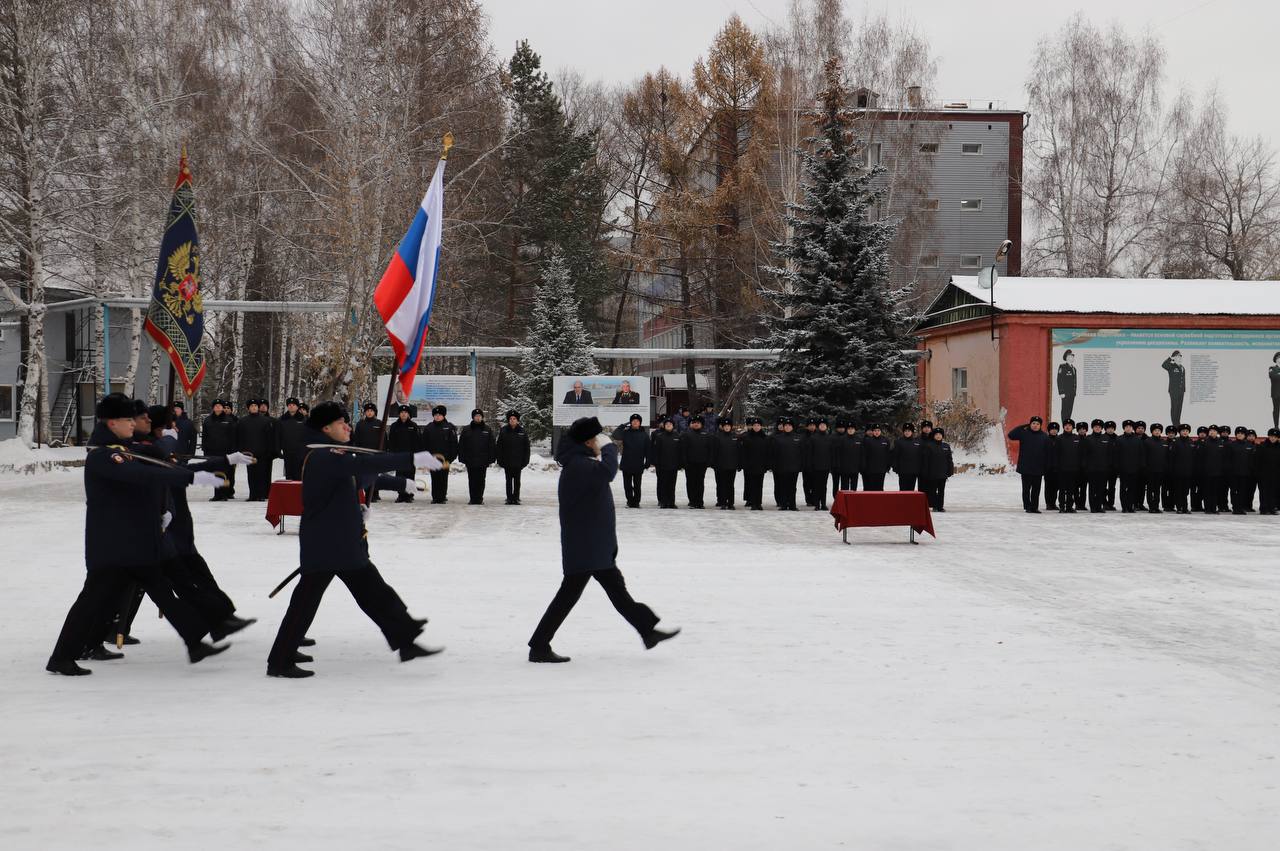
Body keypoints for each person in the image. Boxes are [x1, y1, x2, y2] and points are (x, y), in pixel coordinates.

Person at [46, 393, 229, 676]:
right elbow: (143, 475)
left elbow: (156, 460)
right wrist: (191, 477)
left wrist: (175, 451)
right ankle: (61, 657)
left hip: (134, 545)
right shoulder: (103, 456)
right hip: (111, 548)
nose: (133, 424)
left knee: (162, 592)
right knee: (91, 603)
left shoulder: (123, 449)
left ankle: (195, 642)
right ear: (111, 423)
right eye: (127, 419)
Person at [266, 402, 442, 678]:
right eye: (341, 423)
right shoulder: (323, 456)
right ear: (326, 428)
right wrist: (411, 459)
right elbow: (364, 464)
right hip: (328, 544)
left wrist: (385, 492)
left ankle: (405, 639)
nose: (348, 427)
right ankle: (279, 661)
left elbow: (359, 478)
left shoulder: (332, 454)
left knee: (372, 593)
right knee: (311, 603)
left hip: (339, 541)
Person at [527, 416, 679, 663]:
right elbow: (608, 472)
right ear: (589, 442)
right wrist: (609, 447)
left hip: (592, 544)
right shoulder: (578, 465)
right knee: (572, 595)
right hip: (586, 546)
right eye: (597, 438)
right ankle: (539, 645)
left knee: (613, 591)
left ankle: (647, 631)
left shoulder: (580, 461)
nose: (600, 443)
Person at [236, 398, 278, 501]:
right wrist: (241, 451)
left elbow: (269, 438)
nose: (254, 408)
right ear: (248, 408)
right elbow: (239, 438)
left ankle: (261, 495)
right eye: (252, 406)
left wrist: (269, 451)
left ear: (258, 408)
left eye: (255, 406)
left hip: (262, 452)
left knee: (262, 474)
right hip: (248, 453)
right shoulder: (243, 421)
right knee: (251, 474)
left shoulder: (266, 421)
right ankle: (252, 495)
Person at [1008, 416, 1049, 513]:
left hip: (1038, 468)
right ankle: (1027, 507)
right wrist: (1024, 426)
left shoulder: (1044, 436)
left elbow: (1047, 452)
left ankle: (1034, 507)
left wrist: (1046, 466)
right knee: (1026, 489)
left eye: (1037, 424)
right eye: (1033, 423)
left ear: (1040, 426)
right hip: (1026, 467)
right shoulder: (1024, 433)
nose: (1035, 425)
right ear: (1030, 424)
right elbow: (1011, 435)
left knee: (1036, 490)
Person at [201, 398, 238, 500]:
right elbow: (205, 436)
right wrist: (205, 450)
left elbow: (233, 437)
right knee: (215, 473)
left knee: (225, 473)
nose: (218, 407)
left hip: (226, 451)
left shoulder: (228, 420)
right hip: (212, 451)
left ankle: (225, 494)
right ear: (213, 408)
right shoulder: (207, 420)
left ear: (222, 408)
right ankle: (217, 495)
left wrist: (233, 451)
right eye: (216, 406)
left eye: (220, 406)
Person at [458, 409, 496, 505]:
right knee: (472, 480)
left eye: (479, 416)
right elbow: (461, 444)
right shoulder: (466, 429)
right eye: (476, 416)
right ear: (473, 417)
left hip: (483, 460)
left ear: (482, 417)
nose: (478, 417)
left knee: (481, 480)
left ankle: (479, 499)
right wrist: (462, 457)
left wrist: (491, 458)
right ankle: (472, 499)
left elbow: (492, 445)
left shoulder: (487, 429)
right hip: (470, 460)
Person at [422, 405, 459, 504]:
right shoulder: (429, 427)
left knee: (443, 478)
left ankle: (442, 497)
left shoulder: (449, 427)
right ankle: (435, 497)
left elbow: (454, 444)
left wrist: (451, 458)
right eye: (436, 415)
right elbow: (424, 444)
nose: (437, 416)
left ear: (444, 416)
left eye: (440, 415)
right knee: (434, 478)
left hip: (445, 458)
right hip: (432, 459)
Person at [611, 414, 649, 508]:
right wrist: (622, 426)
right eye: (633, 421)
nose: (635, 422)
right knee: (627, 485)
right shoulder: (625, 433)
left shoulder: (644, 435)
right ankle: (629, 501)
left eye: (637, 421)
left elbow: (648, 449)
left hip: (638, 463)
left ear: (640, 423)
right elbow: (615, 435)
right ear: (630, 423)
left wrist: (647, 461)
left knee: (637, 485)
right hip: (627, 463)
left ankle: (636, 502)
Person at [386, 405, 421, 503]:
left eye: (405, 412)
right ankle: (401, 495)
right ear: (399, 414)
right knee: (400, 476)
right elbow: (391, 441)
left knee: (410, 476)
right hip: (399, 456)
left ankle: (409, 495)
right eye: (401, 412)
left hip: (410, 456)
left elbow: (418, 442)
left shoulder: (413, 426)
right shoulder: (394, 426)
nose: (403, 414)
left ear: (409, 414)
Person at [768, 417, 804, 510]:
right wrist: (774, 465)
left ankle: (792, 504)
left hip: (794, 467)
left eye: (789, 425)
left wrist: (800, 465)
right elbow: (773, 453)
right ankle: (783, 504)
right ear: (783, 427)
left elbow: (802, 453)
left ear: (792, 427)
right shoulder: (777, 438)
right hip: (781, 466)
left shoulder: (798, 438)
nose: (787, 427)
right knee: (783, 486)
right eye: (786, 426)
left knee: (792, 487)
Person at [497, 411, 531, 505]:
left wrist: (525, 460)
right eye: (511, 419)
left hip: (518, 461)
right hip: (506, 461)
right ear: (508, 420)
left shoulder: (522, 431)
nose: (512, 420)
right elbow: (499, 446)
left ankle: (516, 498)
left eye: (514, 419)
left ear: (517, 420)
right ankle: (509, 498)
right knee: (508, 480)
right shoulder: (503, 431)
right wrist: (500, 459)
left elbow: (526, 447)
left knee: (517, 481)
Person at [649, 417, 683, 508]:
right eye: (667, 424)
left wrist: (680, 463)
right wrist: (656, 463)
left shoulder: (677, 436)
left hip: (673, 465)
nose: (668, 426)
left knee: (672, 485)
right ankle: (663, 502)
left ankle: (671, 502)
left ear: (673, 426)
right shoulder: (660, 436)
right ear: (664, 426)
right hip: (662, 465)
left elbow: (680, 451)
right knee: (663, 483)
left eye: (670, 424)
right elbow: (656, 451)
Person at [680, 415, 712, 508]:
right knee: (690, 482)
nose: (696, 424)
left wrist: (709, 461)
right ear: (691, 424)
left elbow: (710, 449)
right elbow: (683, 449)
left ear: (701, 424)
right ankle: (692, 501)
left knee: (700, 482)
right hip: (690, 463)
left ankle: (699, 501)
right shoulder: (686, 434)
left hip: (702, 463)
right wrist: (684, 461)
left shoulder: (706, 435)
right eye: (694, 423)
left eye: (698, 423)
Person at [802, 418, 834, 511]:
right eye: (820, 425)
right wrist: (810, 464)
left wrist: (831, 465)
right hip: (816, 466)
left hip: (826, 466)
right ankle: (816, 504)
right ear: (818, 427)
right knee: (816, 485)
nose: (822, 426)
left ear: (827, 427)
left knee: (824, 486)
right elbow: (810, 453)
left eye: (824, 425)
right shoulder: (813, 437)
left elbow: (832, 452)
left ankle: (823, 504)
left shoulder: (829, 438)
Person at [739, 417, 770, 510]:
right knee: (751, 484)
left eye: (758, 425)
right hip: (750, 465)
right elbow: (743, 452)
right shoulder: (746, 437)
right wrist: (744, 464)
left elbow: (768, 452)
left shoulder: (765, 438)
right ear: (752, 426)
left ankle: (758, 503)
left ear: (761, 426)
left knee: (759, 485)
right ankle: (752, 502)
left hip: (761, 465)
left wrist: (767, 465)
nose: (756, 427)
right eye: (755, 425)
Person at [1054, 419, 1084, 514]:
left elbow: (1080, 454)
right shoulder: (1059, 438)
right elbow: (1056, 454)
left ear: (1072, 427)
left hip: (1073, 469)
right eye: (1066, 425)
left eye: (1070, 425)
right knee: (1062, 489)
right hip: (1062, 469)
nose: (1067, 426)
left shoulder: (1077, 438)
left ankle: (1069, 507)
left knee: (1071, 489)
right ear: (1063, 427)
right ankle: (1062, 506)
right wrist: (1057, 466)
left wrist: (1079, 466)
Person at [711, 416, 741, 509]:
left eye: (729, 426)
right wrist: (713, 463)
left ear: (731, 427)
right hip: (721, 465)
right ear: (722, 427)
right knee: (722, 484)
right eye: (725, 426)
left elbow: (739, 451)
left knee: (730, 485)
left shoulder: (735, 437)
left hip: (732, 465)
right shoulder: (717, 437)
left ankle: (731, 503)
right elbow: (714, 451)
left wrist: (739, 464)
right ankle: (723, 502)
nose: (727, 427)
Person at [276, 397, 309, 481]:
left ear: (297, 407)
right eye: (289, 405)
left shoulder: (303, 420)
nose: (291, 406)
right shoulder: (282, 420)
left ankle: (298, 493)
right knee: (289, 475)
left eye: (293, 405)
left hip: (300, 452)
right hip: (287, 451)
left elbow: (308, 436)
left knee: (299, 475)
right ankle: (289, 493)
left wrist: (306, 450)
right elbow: (278, 436)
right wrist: (278, 450)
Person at [1115, 420, 1145, 513]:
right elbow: (1116, 455)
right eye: (1126, 427)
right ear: (1124, 428)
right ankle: (1124, 507)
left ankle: (1130, 506)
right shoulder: (1119, 439)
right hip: (1123, 469)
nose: (1128, 428)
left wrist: (1140, 466)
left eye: (1130, 427)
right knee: (1123, 488)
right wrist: (1118, 468)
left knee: (1133, 489)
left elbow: (1141, 455)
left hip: (1134, 469)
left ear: (1132, 428)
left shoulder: (1137, 440)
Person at [922, 428, 954, 511]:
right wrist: (926, 472)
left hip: (943, 473)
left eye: (940, 434)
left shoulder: (946, 446)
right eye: (936, 434)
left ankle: (940, 506)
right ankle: (935, 506)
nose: (938, 436)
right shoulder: (929, 446)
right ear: (933, 436)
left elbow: (949, 460)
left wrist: (950, 470)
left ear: (942, 436)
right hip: (932, 473)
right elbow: (926, 461)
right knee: (932, 491)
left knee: (941, 491)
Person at [1227, 426, 1256, 515]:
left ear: (1245, 435)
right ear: (1236, 435)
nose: (1240, 435)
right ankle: (1235, 507)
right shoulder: (1231, 445)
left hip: (1245, 473)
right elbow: (1227, 459)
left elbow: (1252, 460)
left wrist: (1250, 470)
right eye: (1238, 433)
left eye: (1242, 434)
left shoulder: (1249, 446)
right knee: (1234, 491)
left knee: (1243, 491)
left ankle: (1241, 507)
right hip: (1234, 473)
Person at [1169, 424, 1196, 514]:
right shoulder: (1175, 442)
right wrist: (1173, 470)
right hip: (1178, 471)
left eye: (1186, 431)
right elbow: (1171, 457)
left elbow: (1194, 457)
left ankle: (1185, 507)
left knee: (1185, 491)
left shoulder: (1191, 442)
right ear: (1180, 432)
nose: (1185, 432)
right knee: (1178, 490)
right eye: (1183, 431)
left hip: (1188, 471)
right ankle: (1179, 507)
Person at [889, 423, 924, 492]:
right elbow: (895, 456)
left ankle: (910, 503)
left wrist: (919, 468)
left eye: (909, 431)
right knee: (903, 490)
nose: (907, 432)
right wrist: (895, 467)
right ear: (903, 432)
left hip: (913, 471)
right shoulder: (898, 442)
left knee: (911, 490)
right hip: (902, 471)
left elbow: (920, 457)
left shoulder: (917, 442)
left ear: (912, 432)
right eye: (905, 431)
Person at [1144, 423, 1169, 513]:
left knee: (1157, 489)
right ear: (1152, 432)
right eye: (1155, 430)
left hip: (1160, 470)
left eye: (1159, 430)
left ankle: (1156, 506)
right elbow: (1144, 456)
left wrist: (1165, 468)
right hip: (1150, 470)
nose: (1157, 432)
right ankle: (1151, 506)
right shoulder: (1147, 441)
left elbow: (1166, 457)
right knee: (1150, 489)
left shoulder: (1164, 442)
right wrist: (1146, 468)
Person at [860, 424, 891, 492]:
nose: (877, 432)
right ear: (872, 432)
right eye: (875, 430)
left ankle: (879, 502)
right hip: (870, 470)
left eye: (878, 430)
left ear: (881, 431)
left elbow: (888, 455)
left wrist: (888, 466)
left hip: (881, 470)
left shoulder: (885, 441)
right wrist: (864, 467)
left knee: (880, 488)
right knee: (871, 489)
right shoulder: (867, 441)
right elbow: (864, 455)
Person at [1259, 428, 1280, 515]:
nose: (1273, 438)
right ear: (1268, 436)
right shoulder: (1262, 446)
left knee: (1273, 492)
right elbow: (1257, 461)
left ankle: (1272, 507)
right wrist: (1258, 473)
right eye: (1271, 436)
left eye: (1275, 437)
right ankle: (1264, 508)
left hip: (1276, 474)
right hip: (1263, 474)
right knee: (1264, 492)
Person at [1162, 351, 1186, 427]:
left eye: (1180, 356)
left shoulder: (1182, 367)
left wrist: (1183, 389)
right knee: (1174, 407)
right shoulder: (1171, 366)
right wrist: (1170, 358)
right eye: (1178, 356)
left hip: (1181, 390)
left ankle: (1178, 422)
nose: (1180, 357)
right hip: (1174, 390)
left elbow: (1183, 379)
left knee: (1179, 407)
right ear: (1174, 358)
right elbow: (1164, 365)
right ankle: (1174, 423)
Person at [838, 423, 863, 492]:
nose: (850, 430)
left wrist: (860, 466)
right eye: (849, 429)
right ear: (847, 430)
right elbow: (839, 454)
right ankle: (845, 502)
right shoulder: (842, 439)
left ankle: (853, 502)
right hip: (844, 468)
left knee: (854, 487)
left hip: (855, 468)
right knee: (844, 488)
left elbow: (861, 454)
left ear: (855, 430)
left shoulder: (859, 440)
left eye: (852, 429)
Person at [1043, 422, 1061, 510]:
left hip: (1057, 468)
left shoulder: (1059, 440)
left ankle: (1053, 503)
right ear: (1049, 430)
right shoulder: (1045, 440)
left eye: (1055, 429)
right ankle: (1048, 503)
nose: (1054, 431)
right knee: (1048, 487)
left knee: (1056, 487)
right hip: (1048, 468)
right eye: (1052, 429)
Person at [1057, 350, 1078, 423]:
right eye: (1071, 356)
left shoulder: (1074, 369)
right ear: (1067, 357)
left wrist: (1074, 392)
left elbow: (1074, 381)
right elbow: (1059, 380)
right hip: (1065, 393)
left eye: (1073, 356)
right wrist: (1061, 392)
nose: (1073, 357)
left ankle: (1068, 423)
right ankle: (1064, 424)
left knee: (1070, 409)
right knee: (1065, 409)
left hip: (1072, 393)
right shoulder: (1062, 367)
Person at [1270, 353, 1280, 429]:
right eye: (1278, 358)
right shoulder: (1272, 368)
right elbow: (1273, 376)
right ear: (1275, 359)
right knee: (1276, 410)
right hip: (1276, 393)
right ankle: (1276, 426)